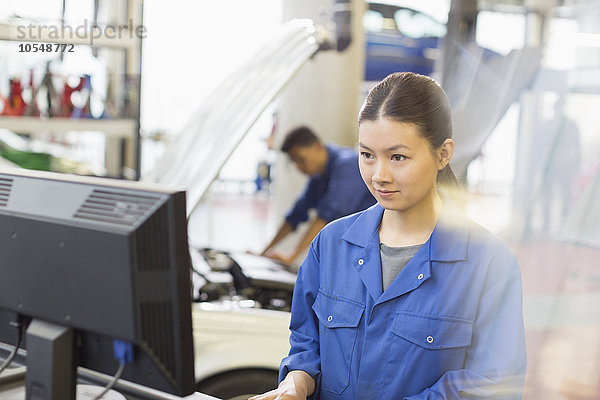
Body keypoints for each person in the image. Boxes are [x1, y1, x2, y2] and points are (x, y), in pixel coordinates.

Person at [250, 72, 527, 400]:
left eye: (398, 157)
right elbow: (306, 344)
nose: (379, 175)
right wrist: (295, 384)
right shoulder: (331, 245)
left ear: (443, 154)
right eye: (367, 155)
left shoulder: (487, 264)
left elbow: (495, 384)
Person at [259, 126, 376, 266]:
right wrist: (263, 253)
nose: (299, 167)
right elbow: (295, 216)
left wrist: (291, 257)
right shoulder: (318, 177)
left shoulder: (347, 165)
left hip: (373, 247)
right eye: (294, 162)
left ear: (316, 146)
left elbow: (327, 215)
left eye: (300, 159)